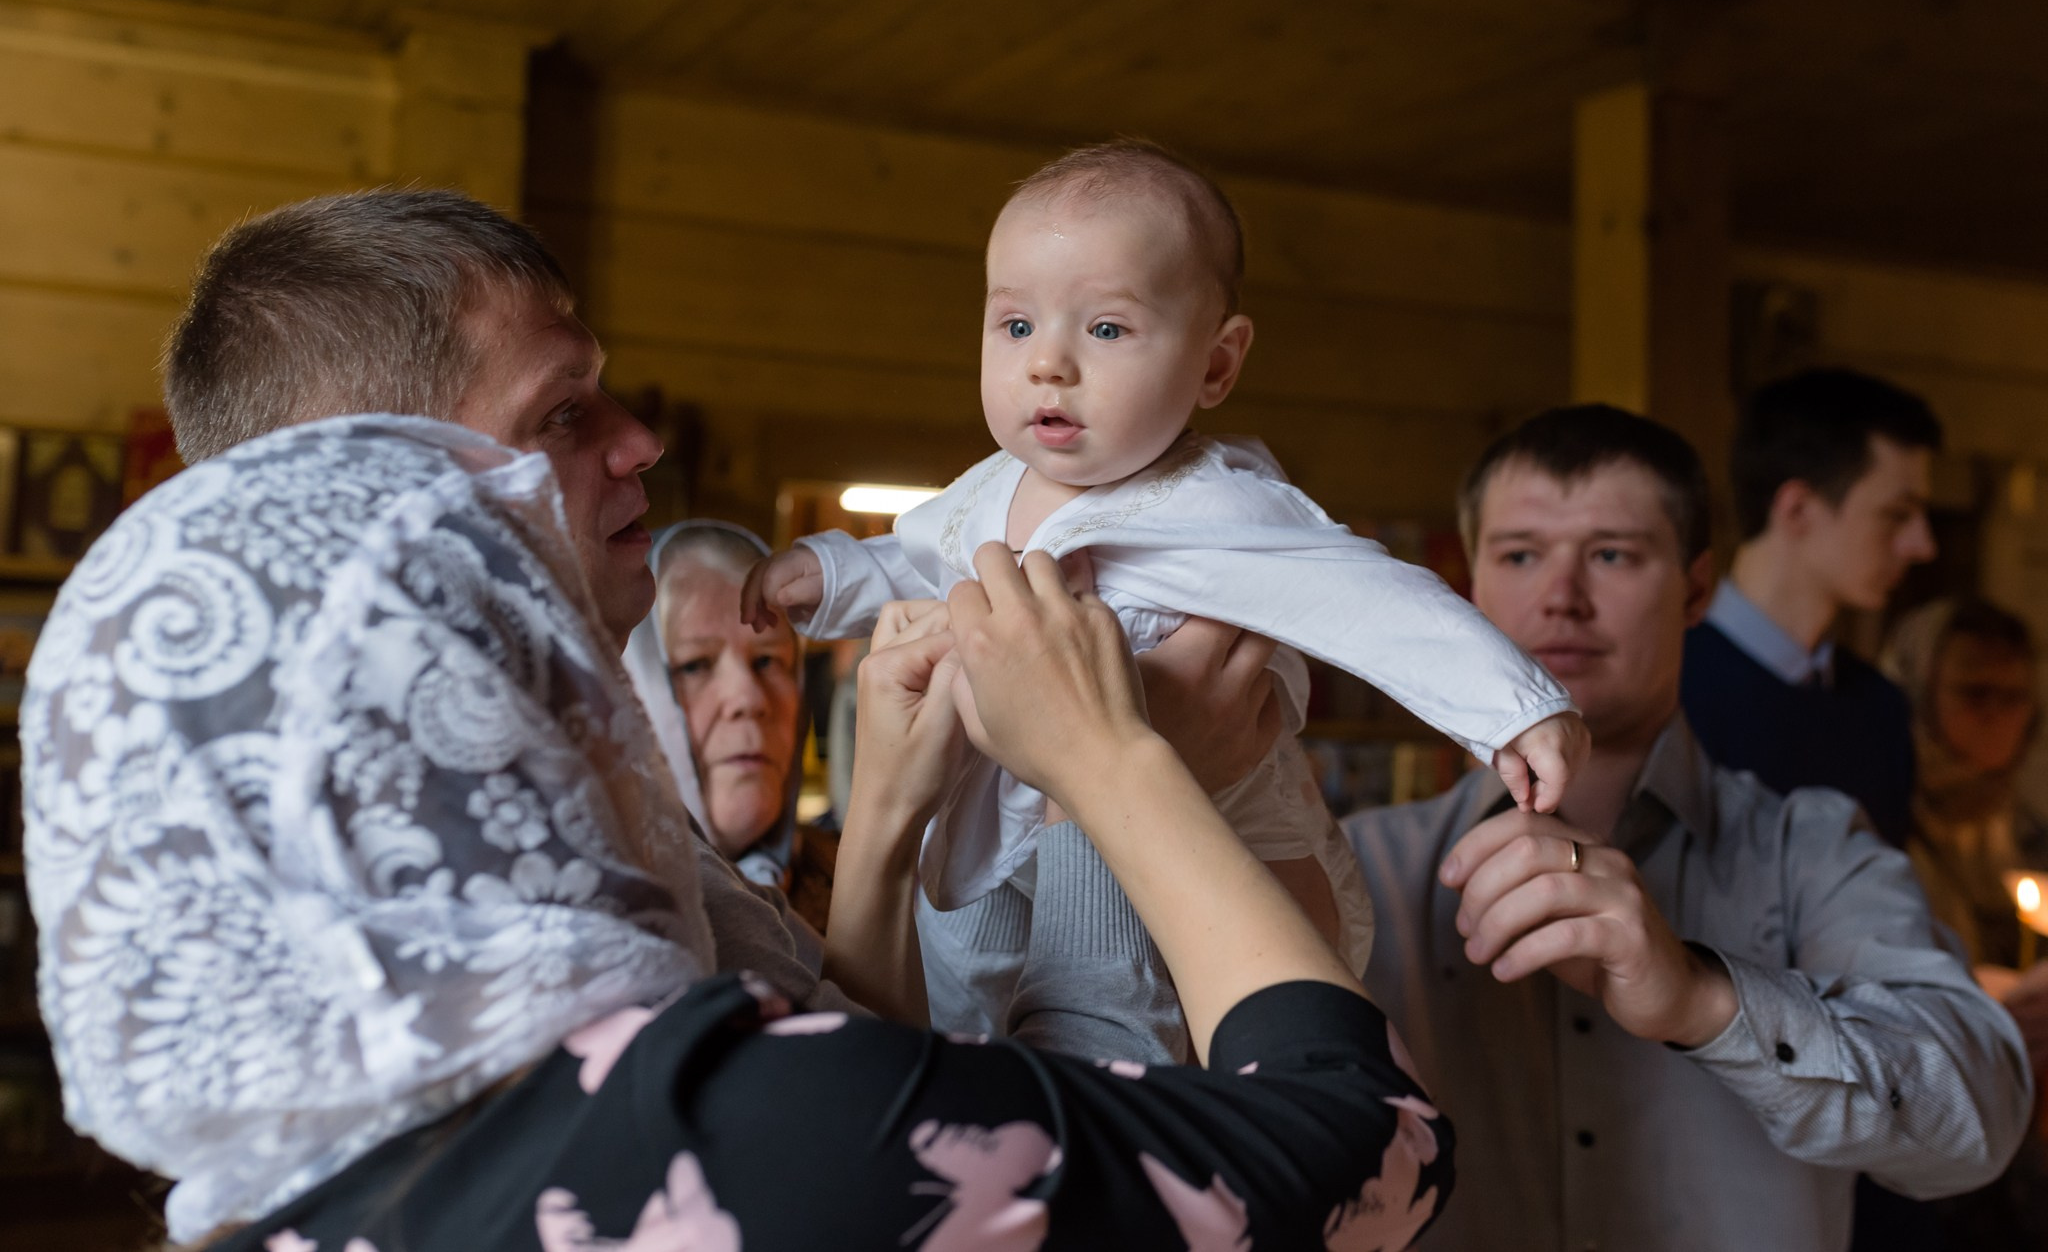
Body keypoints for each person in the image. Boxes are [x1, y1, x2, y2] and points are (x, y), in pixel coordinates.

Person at [20, 416, 1453, 1251]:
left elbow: (887, 1068)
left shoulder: (285, 1196)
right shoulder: (725, 1120)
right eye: (552, 667)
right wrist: (1122, 765)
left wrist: (884, 823)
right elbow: (1365, 1147)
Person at [743, 139, 1587, 1045]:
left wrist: (1511, 707)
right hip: (989, 816)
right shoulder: (986, 488)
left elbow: (1373, 599)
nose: (1048, 365)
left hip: (1193, 824)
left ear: (1217, 365)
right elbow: (915, 557)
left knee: (1196, 1010)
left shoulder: (1218, 503)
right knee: (963, 1003)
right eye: (1016, 326)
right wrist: (830, 576)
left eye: (1106, 329)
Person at [1344, 404, 2028, 1251]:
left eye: (1612, 554)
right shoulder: (1360, 864)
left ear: (1697, 588)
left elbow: (1980, 1125)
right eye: (1521, 554)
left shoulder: (1811, 849)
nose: (1562, 597)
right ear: (1472, 588)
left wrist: (1706, 999)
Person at [1681, 368, 1943, 848]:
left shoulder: (1881, 707)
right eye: (1896, 514)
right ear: (1798, 509)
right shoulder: (1666, 690)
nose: (1922, 545)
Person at [1883, 597, 2048, 1246]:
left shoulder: (2027, 831)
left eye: (2015, 696)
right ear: (1919, 691)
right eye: (1973, 691)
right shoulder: (1877, 829)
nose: (1996, 714)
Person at [623, 521, 838, 933]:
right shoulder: (598, 906)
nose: (749, 700)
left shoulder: (856, 882)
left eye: (767, 662)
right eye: (694, 665)